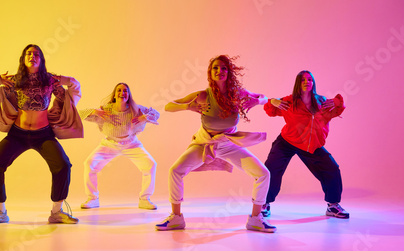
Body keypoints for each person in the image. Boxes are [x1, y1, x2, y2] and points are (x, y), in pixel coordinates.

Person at [155, 55, 276, 233]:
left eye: (224, 68)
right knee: (175, 170)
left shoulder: (237, 94)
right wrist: (188, 106)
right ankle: (176, 218)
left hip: (229, 144)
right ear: (210, 73)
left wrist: (257, 100)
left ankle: (255, 219)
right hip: (204, 143)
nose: (220, 71)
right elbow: (168, 106)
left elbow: (265, 98)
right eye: (215, 68)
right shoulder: (203, 95)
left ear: (229, 72)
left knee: (263, 174)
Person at [0, 44, 83, 225]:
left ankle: (57, 212)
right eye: (29, 53)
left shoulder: (50, 81)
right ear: (23, 58)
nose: (32, 56)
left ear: (41, 59)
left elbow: (73, 91)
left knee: (63, 165)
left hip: (43, 135)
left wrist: (63, 78)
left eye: (36, 54)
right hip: (17, 134)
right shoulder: (14, 80)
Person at [261, 70, 349, 219]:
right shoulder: (290, 101)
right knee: (271, 168)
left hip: (310, 145)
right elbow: (270, 109)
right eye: (302, 80)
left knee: (332, 169)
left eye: (309, 79)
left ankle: (333, 206)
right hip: (287, 141)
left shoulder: (321, 101)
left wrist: (336, 101)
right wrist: (272, 101)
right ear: (298, 83)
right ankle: (264, 204)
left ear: (313, 83)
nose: (306, 82)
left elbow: (339, 108)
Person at [80, 83, 159, 210]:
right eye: (119, 90)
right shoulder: (106, 109)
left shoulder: (135, 109)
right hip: (109, 144)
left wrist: (145, 117)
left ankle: (145, 199)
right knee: (89, 164)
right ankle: (92, 198)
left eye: (125, 91)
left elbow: (156, 114)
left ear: (128, 95)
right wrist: (95, 112)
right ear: (115, 94)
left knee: (150, 164)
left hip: (131, 143)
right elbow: (79, 114)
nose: (122, 93)